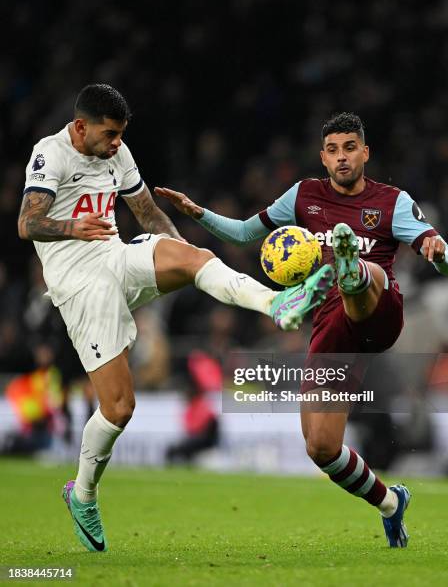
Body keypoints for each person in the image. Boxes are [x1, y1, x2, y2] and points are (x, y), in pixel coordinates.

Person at [17, 84, 335, 553]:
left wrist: (178, 255)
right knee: (119, 408)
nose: (116, 143)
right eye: (109, 134)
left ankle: (277, 305)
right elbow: (27, 222)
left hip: (116, 258)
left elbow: (146, 213)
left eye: (121, 135)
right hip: (80, 286)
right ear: (81, 127)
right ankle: (81, 492)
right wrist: (72, 227)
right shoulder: (50, 154)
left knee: (195, 256)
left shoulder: (117, 154)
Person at [156, 112, 448, 548]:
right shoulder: (303, 196)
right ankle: (391, 503)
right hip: (334, 330)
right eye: (333, 150)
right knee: (320, 448)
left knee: (366, 273)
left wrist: (436, 250)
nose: (342, 158)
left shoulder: (391, 201)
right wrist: (198, 213)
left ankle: (348, 267)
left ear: (365, 152)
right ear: (323, 156)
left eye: (350, 148)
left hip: (380, 310)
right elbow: (245, 235)